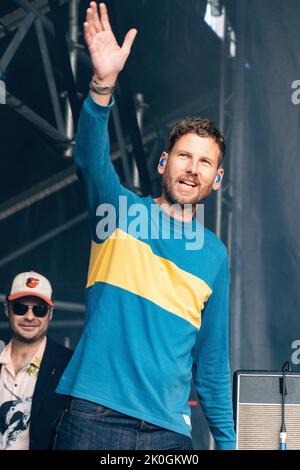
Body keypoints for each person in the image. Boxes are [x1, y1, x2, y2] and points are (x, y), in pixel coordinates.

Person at [54, 2, 236, 450]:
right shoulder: (117, 211)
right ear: (163, 163)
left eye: (205, 162)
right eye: (183, 156)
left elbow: (210, 364)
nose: (192, 169)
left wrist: (229, 443)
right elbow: (90, 160)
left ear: (217, 179)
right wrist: (102, 86)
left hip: (170, 434)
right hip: (95, 416)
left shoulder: (214, 255)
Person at [0, 271, 73, 450]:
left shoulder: (69, 365)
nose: (30, 317)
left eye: (39, 309)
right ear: (7, 308)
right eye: (20, 308)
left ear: (51, 313)